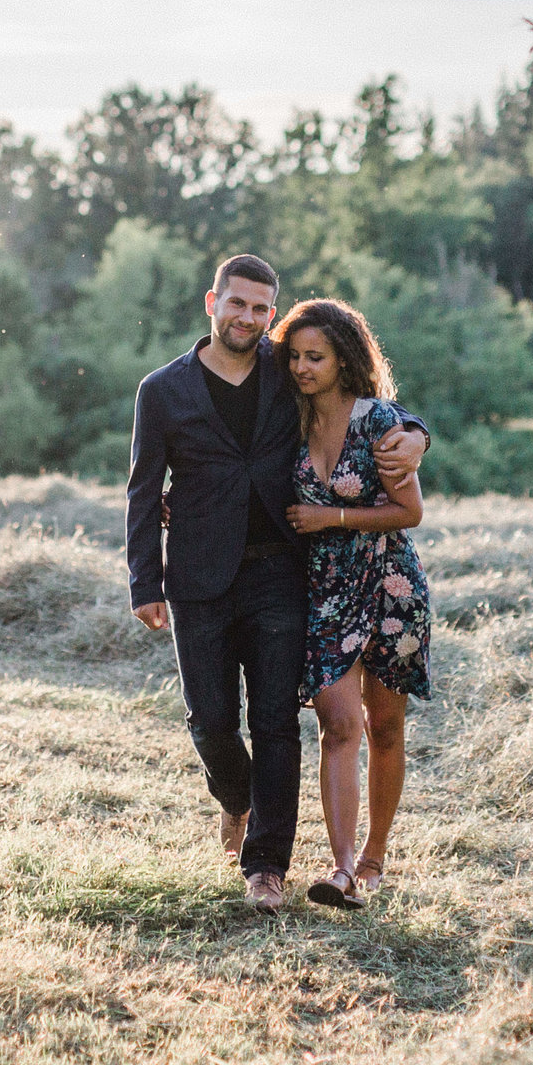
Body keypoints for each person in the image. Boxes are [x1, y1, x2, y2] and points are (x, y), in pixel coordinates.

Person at [125, 255, 429, 913]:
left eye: (262, 309)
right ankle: (235, 798)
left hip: (281, 571)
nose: (249, 318)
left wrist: (417, 436)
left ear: (272, 313)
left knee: (277, 723)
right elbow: (144, 489)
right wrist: (142, 579)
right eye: (237, 304)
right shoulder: (162, 390)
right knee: (209, 721)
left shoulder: (287, 367)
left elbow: (369, 399)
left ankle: (267, 867)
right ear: (212, 300)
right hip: (197, 577)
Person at [275, 299, 432, 911]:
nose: (302, 367)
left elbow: (410, 513)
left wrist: (331, 516)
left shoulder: (379, 423)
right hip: (325, 592)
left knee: (384, 726)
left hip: (391, 585)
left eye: (316, 356)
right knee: (336, 726)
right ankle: (340, 872)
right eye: (294, 355)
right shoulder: (287, 421)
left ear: (345, 359)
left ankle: (374, 859)